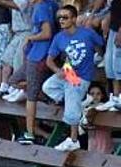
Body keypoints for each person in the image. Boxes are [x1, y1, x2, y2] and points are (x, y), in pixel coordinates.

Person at [43, 4, 104, 151]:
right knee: (48, 87)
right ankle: (80, 102)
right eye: (59, 18)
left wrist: (97, 57)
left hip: (82, 75)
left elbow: (101, 44)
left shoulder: (87, 33)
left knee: (71, 99)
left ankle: (74, 139)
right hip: (68, 71)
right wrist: (58, 70)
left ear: (74, 19)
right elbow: (49, 60)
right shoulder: (59, 37)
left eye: (65, 17)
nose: (61, 20)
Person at [12, 0, 54, 143]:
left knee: (31, 96)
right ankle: (45, 97)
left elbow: (47, 33)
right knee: (14, 80)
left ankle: (30, 133)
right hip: (36, 53)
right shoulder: (50, 4)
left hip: (39, 54)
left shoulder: (42, 6)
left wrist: (30, 37)